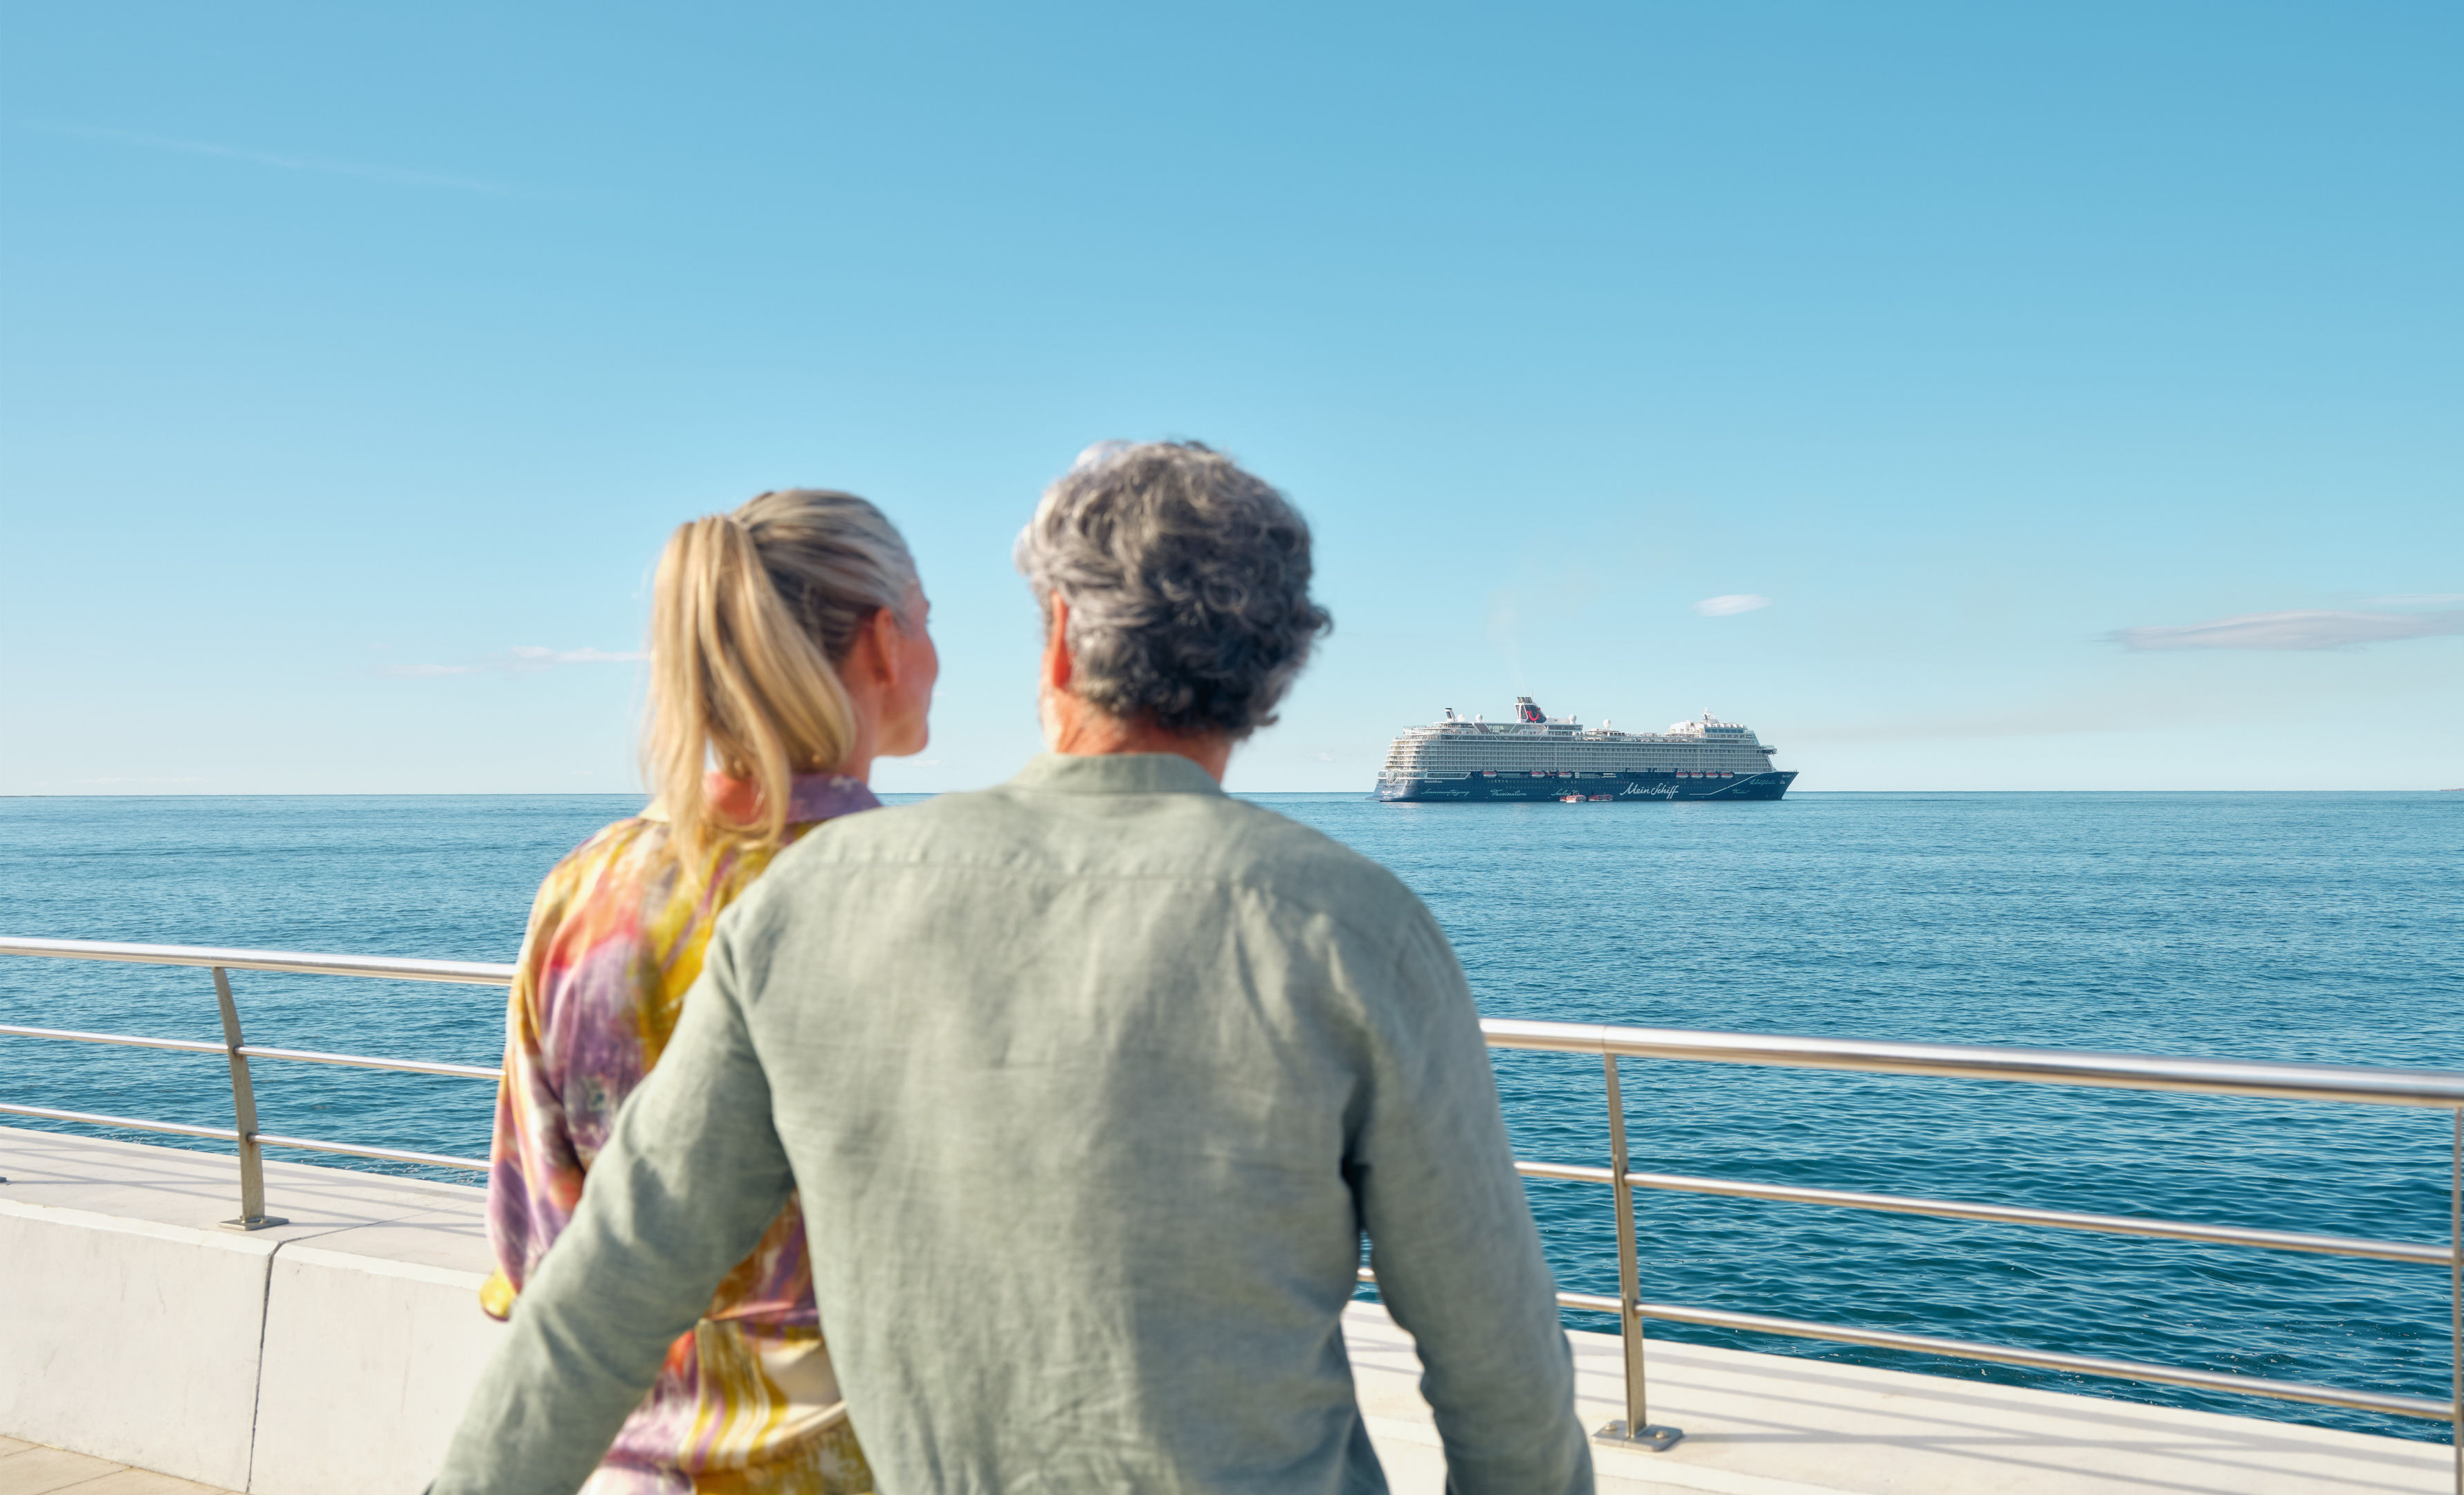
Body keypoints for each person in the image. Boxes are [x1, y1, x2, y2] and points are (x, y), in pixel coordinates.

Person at [432, 442, 1594, 1495]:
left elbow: (605, 1287)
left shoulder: (814, 899)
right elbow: (1500, 1371)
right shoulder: (1359, 927)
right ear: (1275, 677)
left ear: (1055, 638)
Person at [481, 488, 936, 1494]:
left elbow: (534, 1242)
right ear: (881, 642)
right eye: (929, 620)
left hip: (625, 1463)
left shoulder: (586, 890)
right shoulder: (926, 896)